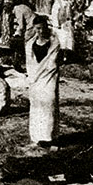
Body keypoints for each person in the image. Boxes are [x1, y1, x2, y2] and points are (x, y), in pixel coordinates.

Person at [25, 16, 60, 147]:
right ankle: (37, 137)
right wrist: (32, 77)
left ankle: (49, 137)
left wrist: (41, 73)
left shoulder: (53, 43)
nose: (40, 31)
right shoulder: (30, 45)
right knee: (36, 106)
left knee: (49, 103)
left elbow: (52, 63)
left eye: (42, 28)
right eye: (37, 28)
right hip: (34, 79)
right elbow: (30, 63)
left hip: (48, 78)